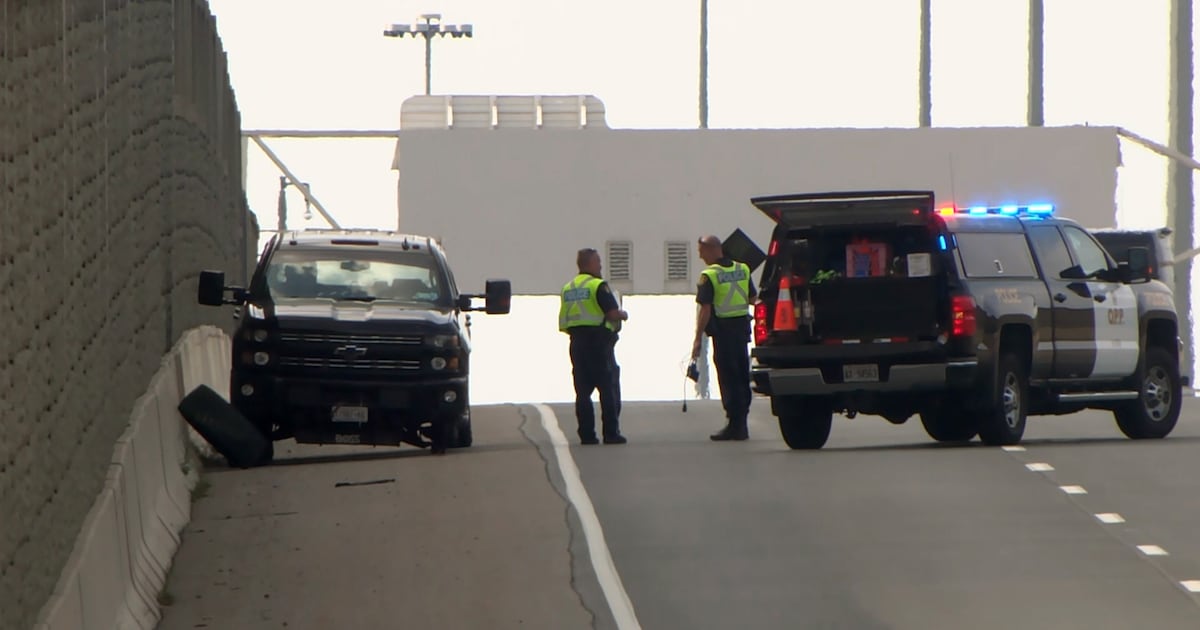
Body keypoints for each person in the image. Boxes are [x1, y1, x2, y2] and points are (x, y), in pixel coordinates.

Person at [559, 248, 629, 445]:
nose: (600, 266)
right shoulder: (598, 286)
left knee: (582, 391)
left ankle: (587, 435)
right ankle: (611, 433)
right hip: (598, 342)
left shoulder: (568, 288)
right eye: (598, 262)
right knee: (607, 387)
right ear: (589, 264)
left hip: (576, 342)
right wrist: (624, 314)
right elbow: (612, 313)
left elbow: (564, 320)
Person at [692, 235, 757, 441]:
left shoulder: (709, 275)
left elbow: (706, 310)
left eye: (701, 251)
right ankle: (741, 423)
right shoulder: (743, 269)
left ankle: (735, 424)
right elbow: (753, 298)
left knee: (728, 378)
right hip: (742, 331)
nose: (700, 256)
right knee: (741, 376)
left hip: (724, 333)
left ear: (711, 249)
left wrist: (697, 340)